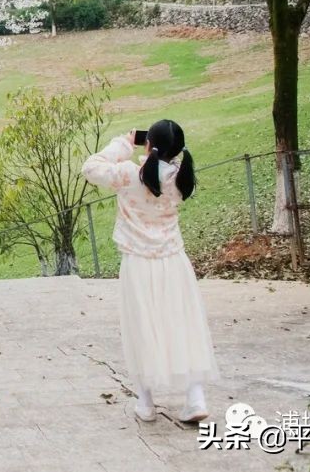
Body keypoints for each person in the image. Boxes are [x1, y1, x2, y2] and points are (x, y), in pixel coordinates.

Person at [81, 120, 220, 424]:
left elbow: (91, 167)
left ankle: (146, 402)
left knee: (141, 327)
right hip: (173, 260)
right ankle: (195, 397)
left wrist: (124, 143)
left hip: (138, 263)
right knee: (185, 324)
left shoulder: (130, 174)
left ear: (148, 145)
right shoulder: (183, 179)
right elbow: (161, 173)